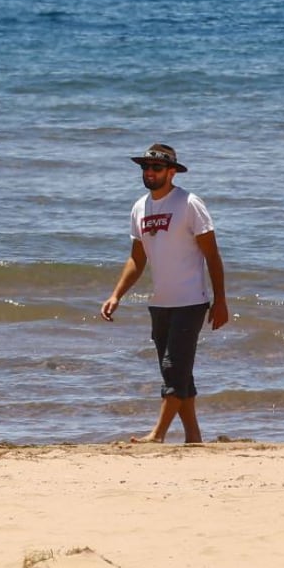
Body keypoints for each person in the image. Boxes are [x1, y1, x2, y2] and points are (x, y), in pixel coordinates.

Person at [100, 143, 230, 444]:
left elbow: (212, 255)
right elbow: (137, 258)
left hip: (191, 301)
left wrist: (221, 300)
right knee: (179, 374)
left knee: (173, 369)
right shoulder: (139, 208)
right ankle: (194, 437)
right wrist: (116, 294)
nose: (150, 173)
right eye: (145, 167)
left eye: (156, 168)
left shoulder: (189, 203)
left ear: (172, 172)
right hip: (160, 304)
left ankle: (157, 435)